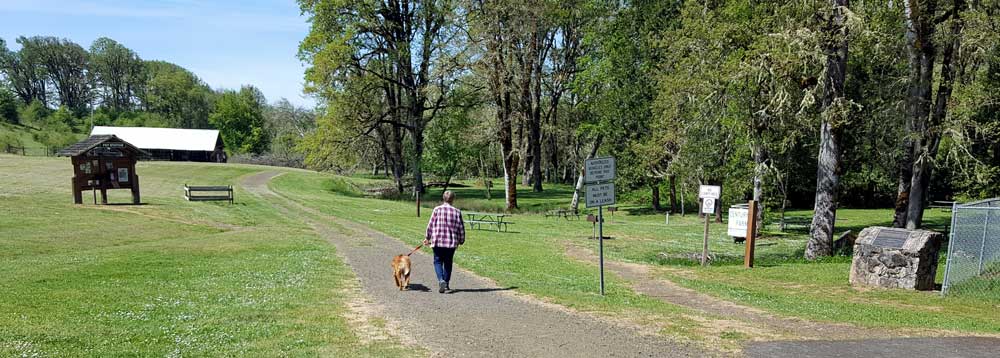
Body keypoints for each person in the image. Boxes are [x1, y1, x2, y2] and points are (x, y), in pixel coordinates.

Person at [423, 190, 465, 293]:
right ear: (453, 199)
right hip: (451, 242)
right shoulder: (457, 211)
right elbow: (461, 228)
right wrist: (461, 240)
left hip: (437, 240)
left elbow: (431, 225)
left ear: (443, 198)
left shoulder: (437, 209)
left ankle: (441, 280)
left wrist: (427, 237)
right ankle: (446, 283)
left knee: (437, 261)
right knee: (448, 262)